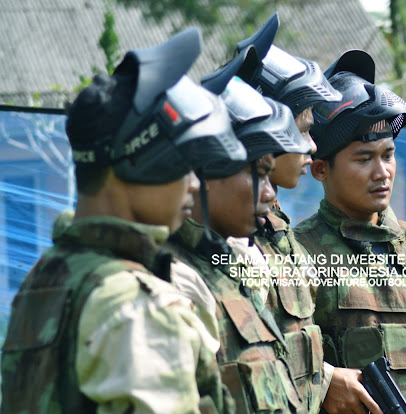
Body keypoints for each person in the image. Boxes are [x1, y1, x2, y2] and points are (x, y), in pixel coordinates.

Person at [0, 29, 240, 413]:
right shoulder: (135, 304)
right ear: (137, 161)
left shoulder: (46, 279)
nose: (194, 184)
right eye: (182, 163)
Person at [293, 49, 406, 414]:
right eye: (363, 158)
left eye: (388, 155)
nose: (382, 172)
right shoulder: (297, 251)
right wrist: (325, 378)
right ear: (320, 170)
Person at [226, 13, 380, 414]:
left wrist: (325, 377)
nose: (312, 147)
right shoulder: (227, 234)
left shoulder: (275, 227)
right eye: (303, 129)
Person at [166, 60, 314, 414]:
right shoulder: (176, 279)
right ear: (208, 173)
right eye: (258, 175)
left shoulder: (237, 262)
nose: (268, 193)